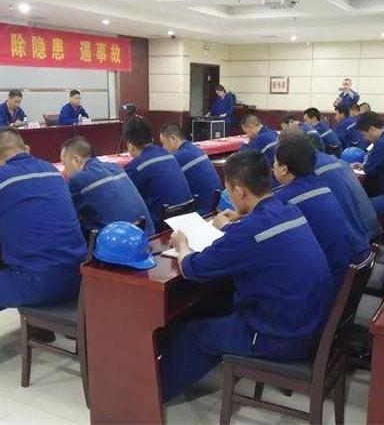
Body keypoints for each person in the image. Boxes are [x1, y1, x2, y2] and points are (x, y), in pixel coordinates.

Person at [161, 150, 335, 402]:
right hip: (309, 323)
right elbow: (258, 234)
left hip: (281, 337)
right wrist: (239, 221)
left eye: (229, 190)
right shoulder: (289, 210)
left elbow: (193, 268)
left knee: (193, 334)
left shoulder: (250, 232)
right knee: (217, 303)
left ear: (239, 191)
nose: (229, 196)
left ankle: (153, 394)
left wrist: (182, 244)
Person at [0, 128, 86, 377]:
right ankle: (41, 329)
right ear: (26, 148)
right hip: (78, 277)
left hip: (36, 283)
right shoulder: (52, 171)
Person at [273, 133, 370, 290]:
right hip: (352, 258)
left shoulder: (287, 199)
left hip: (329, 280)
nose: (273, 166)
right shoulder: (319, 183)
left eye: (275, 162)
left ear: (284, 169)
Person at [61, 136, 155, 239]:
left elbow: (69, 217)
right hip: (147, 234)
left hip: (120, 242)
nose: (64, 171)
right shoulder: (116, 168)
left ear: (76, 160)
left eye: (65, 164)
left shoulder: (78, 180)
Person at [123, 116, 193, 230]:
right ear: (151, 138)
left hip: (164, 225)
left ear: (130, 145)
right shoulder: (168, 155)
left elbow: (125, 199)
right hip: (188, 215)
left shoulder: (137, 167)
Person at [159, 123, 222, 216]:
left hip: (202, 210)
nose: (163, 148)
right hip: (216, 205)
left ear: (173, 138)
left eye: (163, 143)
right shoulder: (196, 149)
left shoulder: (178, 156)